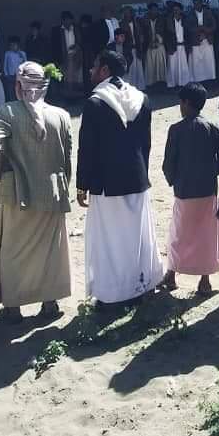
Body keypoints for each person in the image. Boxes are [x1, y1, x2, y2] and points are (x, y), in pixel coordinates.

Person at [0, 62, 73, 322]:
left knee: (14, 251)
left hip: (17, 193)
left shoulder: (8, 111)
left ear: (18, 86)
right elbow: (67, 157)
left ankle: (13, 307)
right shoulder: (61, 115)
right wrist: (63, 183)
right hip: (52, 191)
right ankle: (50, 303)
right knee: (50, 250)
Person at [77, 51, 162, 306]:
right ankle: (141, 285)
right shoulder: (142, 99)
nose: (91, 71)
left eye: (94, 66)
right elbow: (146, 144)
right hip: (136, 177)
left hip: (106, 182)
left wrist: (82, 184)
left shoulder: (95, 103)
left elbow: (87, 148)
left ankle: (112, 294)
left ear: (104, 70)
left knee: (110, 239)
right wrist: (141, 173)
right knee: (137, 236)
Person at [161, 83, 219, 295]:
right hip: (207, 190)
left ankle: (171, 275)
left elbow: (168, 163)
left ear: (186, 103)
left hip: (184, 190)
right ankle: (204, 281)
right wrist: (210, 173)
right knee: (206, 234)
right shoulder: (211, 127)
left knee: (179, 233)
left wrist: (174, 180)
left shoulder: (176, 129)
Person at [51, 11, 85, 98]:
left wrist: (77, 47)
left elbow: (82, 42)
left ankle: (75, 94)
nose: (67, 22)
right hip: (63, 58)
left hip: (76, 57)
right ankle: (67, 95)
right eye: (65, 20)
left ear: (72, 20)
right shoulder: (56, 30)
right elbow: (54, 46)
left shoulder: (77, 29)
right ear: (62, 21)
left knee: (76, 76)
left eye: (69, 20)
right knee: (66, 76)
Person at [185, 0, 218, 84]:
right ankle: (197, 81)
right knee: (196, 62)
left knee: (208, 60)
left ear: (201, 3)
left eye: (198, 3)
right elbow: (188, 28)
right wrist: (198, 30)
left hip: (207, 39)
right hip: (195, 41)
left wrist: (205, 31)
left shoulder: (208, 13)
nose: (196, 6)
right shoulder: (190, 14)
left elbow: (214, 26)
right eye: (194, 4)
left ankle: (209, 80)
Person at [164, 1, 193, 90]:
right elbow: (166, 35)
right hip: (173, 46)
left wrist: (189, 45)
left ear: (181, 10)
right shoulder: (168, 20)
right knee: (172, 66)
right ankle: (172, 84)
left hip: (183, 46)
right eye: (174, 10)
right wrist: (168, 46)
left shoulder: (185, 19)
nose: (176, 11)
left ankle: (183, 83)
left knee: (183, 66)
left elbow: (188, 33)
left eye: (177, 9)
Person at [119, 8, 148, 90]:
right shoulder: (121, 24)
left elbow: (141, 34)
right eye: (125, 13)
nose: (127, 15)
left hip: (137, 48)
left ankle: (140, 87)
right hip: (128, 49)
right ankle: (129, 87)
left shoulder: (137, 23)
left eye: (129, 13)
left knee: (138, 68)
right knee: (129, 68)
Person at [141, 3, 168, 87]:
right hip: (149, 47)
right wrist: (148, 43)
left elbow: (165, 33)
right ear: (149, 10)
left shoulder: (162, 19)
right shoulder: (144, 20)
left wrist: (159, 41)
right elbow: (142, 34)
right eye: (152, 9)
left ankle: (161, 83)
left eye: (156, 9)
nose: (154, 11)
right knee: (150, 66)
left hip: (160, 45)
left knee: (160, 65)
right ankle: (150, 85)